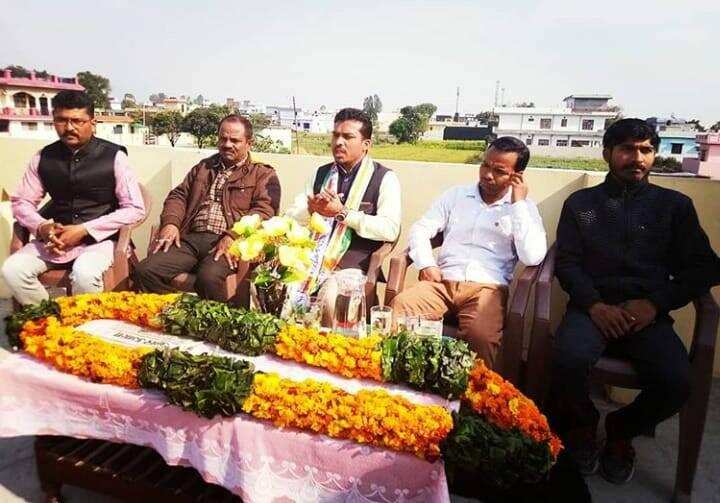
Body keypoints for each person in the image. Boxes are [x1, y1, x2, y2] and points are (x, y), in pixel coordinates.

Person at [548, 118, 720, 484]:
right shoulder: (582, 204)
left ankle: (621, 431)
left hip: (647, 315)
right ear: (608, 153)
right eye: (627, 149)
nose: (637, 158)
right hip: (592, 309)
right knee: (566, 359)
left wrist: (655, 304)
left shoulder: (674, 207)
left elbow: (705, 267)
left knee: (677, 381)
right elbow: (567, 263)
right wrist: (595, 305)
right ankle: (582, 427)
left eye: (646, 150)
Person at [390, 136, 547, 366]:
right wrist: (426, 263)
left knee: (480, 336)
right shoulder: (456, 195)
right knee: (401, 307)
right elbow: (421, 229)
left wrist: (518, 205)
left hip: (487, 290)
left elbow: (532, 256)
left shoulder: (524, 208)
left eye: (499, 171)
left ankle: (472, 388)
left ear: (517, 176)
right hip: (442, 283)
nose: (488, 174)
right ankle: (396, 378)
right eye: (485, 165)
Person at [2, 90, 145, 305]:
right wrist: (42, 227)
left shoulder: (114, 156)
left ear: (92, 122)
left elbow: (135, 208)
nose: (69, 127)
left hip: (101, 240)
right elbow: (22, 202)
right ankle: (50, 317)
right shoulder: (43, 157)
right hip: (56, 241)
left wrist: (84, 230)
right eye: (61, 120)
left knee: (85, 273)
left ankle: (84, 322)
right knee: (12, 270)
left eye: (77, 121)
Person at [131, 114, 280, 302]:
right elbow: (179, 196)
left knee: (208, 278)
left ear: (249, 143)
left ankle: (216, 320)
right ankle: (173, 313)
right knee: (145, 271)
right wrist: (171, 224)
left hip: (227, 241)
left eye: (234, 140)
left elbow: (265, 211)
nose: (227, 144)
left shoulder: (262, 173)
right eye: (223, 139)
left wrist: (233, 235)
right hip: (190, 239)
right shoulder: (204, 167)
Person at [284, 108, 401, 308]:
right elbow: (291, 217)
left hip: (352, 266)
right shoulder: (320, 174)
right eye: (336, 135)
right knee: (273, 285)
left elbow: (390, 229)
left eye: (348, 137)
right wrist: (311, 210)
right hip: (311, 259)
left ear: (366, 145)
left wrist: (342, 213)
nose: (339, 142)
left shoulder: (384, 178)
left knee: (331, 296)